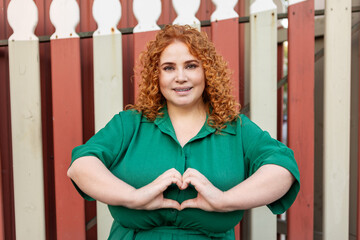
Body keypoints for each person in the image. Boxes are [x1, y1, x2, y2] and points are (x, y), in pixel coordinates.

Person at [68, 24, 300, 240]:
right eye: (169, 68)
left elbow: (282, 170)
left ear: (207, 72)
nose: (181, 77)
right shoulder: (129, 124)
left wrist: (224, 200)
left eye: (191, 65)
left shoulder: (236, 128)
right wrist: (134, 197)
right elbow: (81, 166)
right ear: (156, 76)